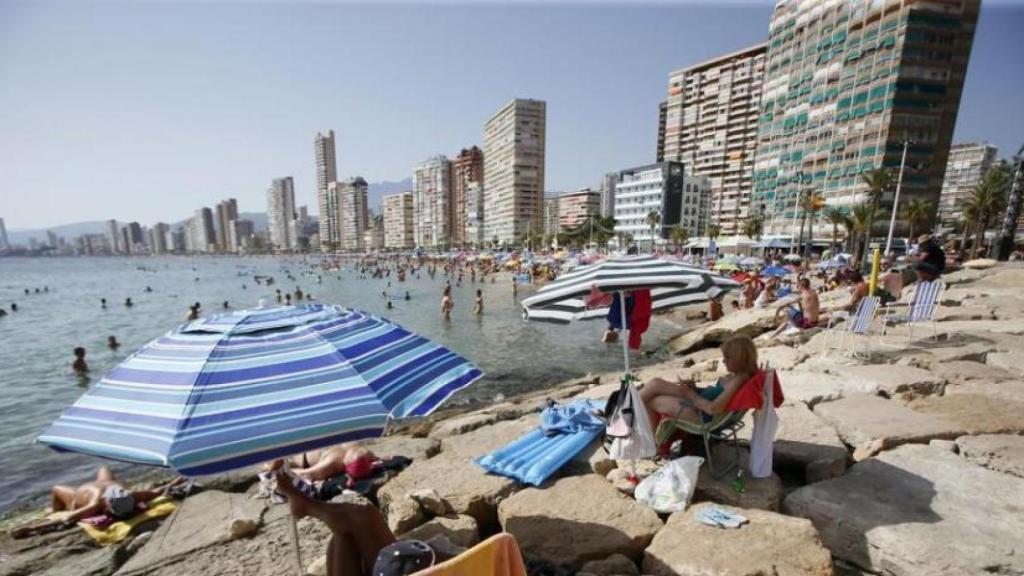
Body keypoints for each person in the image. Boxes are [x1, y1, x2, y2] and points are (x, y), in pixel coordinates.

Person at [10, 468, 181, 538]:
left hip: (89, 491)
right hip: (89, 492)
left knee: (102, 469)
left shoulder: (128, 496)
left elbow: (66, 519)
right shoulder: (131, 496)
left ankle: (54, 509)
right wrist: (175, 482)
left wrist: (31, 528)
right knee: (58, 488)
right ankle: (54, 508)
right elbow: (159, 491)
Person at [640, 336, 759, 428]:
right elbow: (717, 395)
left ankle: (652, 444)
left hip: (700, 415)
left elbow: (713, 409)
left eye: (728, 357)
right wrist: (695, 389)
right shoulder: (740, 377)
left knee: (652, 398)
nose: (723, 361)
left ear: (740, 359)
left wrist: (691, 394)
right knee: (655, 384)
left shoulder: (737, 381)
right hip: (698, 403)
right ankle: (628, 409)